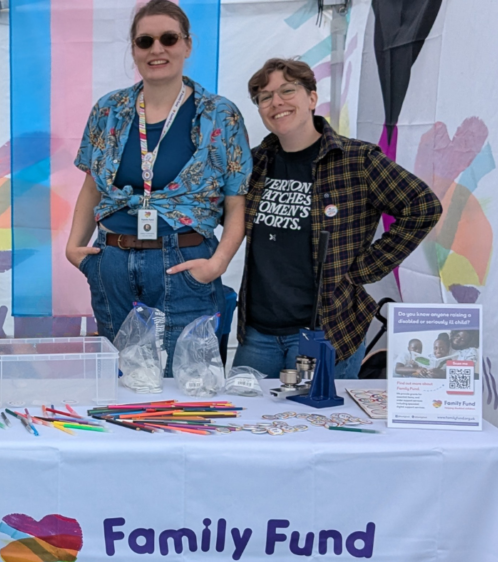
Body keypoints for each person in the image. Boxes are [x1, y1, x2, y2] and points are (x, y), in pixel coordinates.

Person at [66, 0, 252, 376]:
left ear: (187, 44)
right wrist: (74, 248)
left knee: (186, 383)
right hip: (113, 262)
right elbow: (92, 186)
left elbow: (237, 202)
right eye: (145, 41)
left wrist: (217, 264)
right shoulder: (108, 110)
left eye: (168, 38)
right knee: (120, 383)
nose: (157, 49)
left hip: (183, 263)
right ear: (134, 49)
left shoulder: (220, 114)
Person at [234, 58, 442, 379]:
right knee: (244, 411)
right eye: (264, 97)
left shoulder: (356, 160)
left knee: (318, 412)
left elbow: (423, 206)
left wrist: (364, 269)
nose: (276, 102)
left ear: (312, 98)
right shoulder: (255, 163)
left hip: (327, 331)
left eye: (287, 91)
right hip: (257, 334)